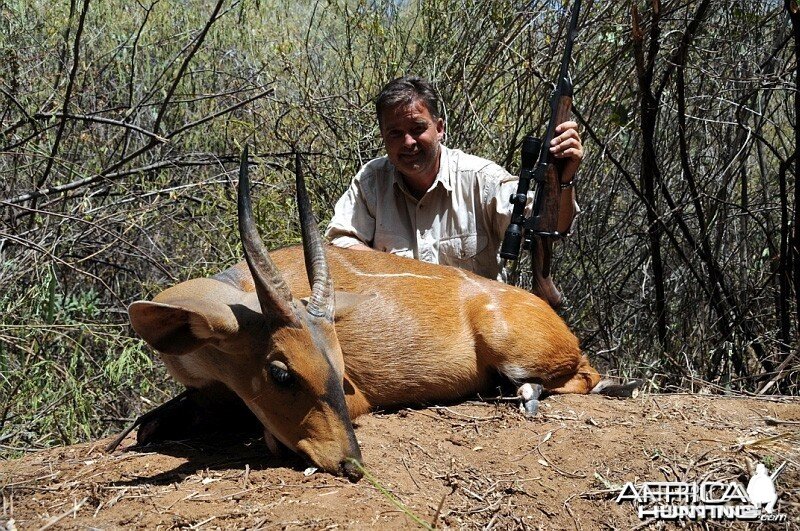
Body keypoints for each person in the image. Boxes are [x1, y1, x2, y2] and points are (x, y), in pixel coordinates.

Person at [325, 76, 583, 281]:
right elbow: (339, 241)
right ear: (383, 137)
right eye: (395, 133)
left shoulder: (482, 180)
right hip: (400, 329)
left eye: (417, 129)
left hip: (474, 332)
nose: (408, 142)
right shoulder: (372, 181)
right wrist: (395, 277)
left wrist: (564, 179)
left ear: (439, 129)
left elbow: (550, 228)